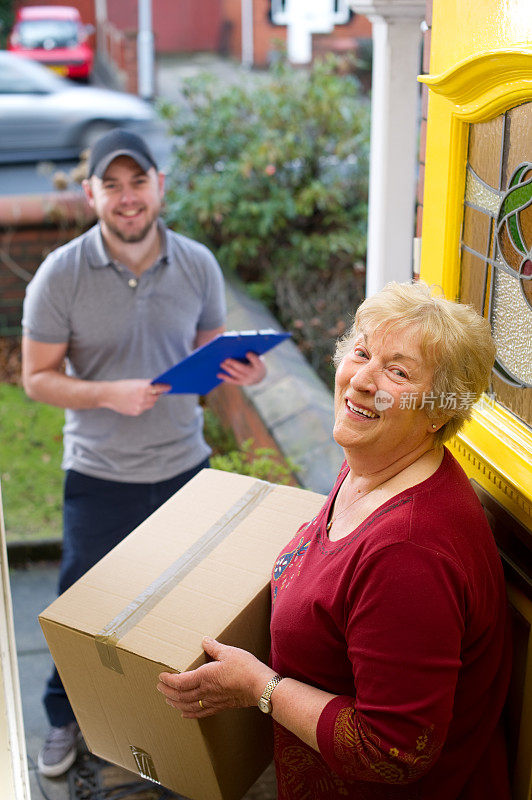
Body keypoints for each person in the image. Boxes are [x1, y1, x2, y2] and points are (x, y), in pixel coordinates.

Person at [157, 281, 512, 800]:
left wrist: (259, 687)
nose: (362, 379)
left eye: (398, 371)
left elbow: (390, 751)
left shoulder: (408, 555)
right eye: (362, 352)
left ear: (438, 410)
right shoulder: (373, 465)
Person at [21, 128, 266, 778]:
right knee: (83, 612)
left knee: (188, 614)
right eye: (113, 185)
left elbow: (214, 351)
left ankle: (171, 732)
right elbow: (35, 377)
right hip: (101, 477)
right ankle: (64, 718)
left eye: (138, 182)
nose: (127, 198)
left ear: (159, 186)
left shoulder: (196, 264)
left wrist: (243, 371)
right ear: (90, 193)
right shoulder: (60, 275)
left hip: (187, 470)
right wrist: (107, 393)